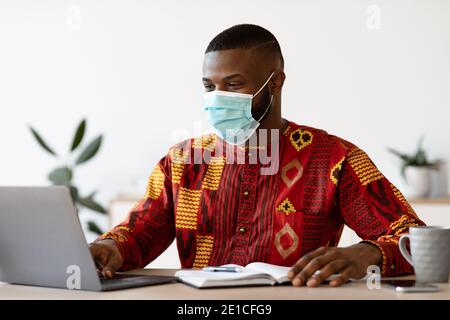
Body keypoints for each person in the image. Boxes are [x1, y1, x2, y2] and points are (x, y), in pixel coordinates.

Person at [90, 24, 424, 287]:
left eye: (233, 85)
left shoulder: (334, 158)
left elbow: (415, 240)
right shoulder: (182, 162)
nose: (218, 98)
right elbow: (139, 235)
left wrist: (366, 254)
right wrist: (111, 250)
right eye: (210, 86)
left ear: (275, 82)